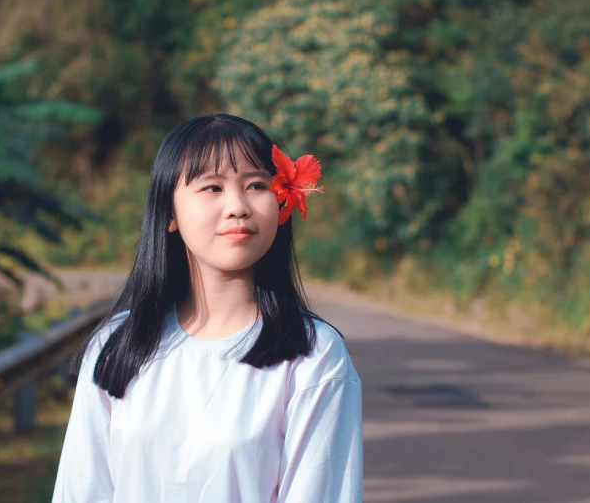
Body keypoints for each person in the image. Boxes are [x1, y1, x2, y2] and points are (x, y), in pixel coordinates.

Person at [51, 114, 363, 503]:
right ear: (168, 214)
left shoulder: (312, 356)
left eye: (256, 185)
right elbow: (82, 491)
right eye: (212, 187)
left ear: (282, 202)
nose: (238, 207)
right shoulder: (117, 346)